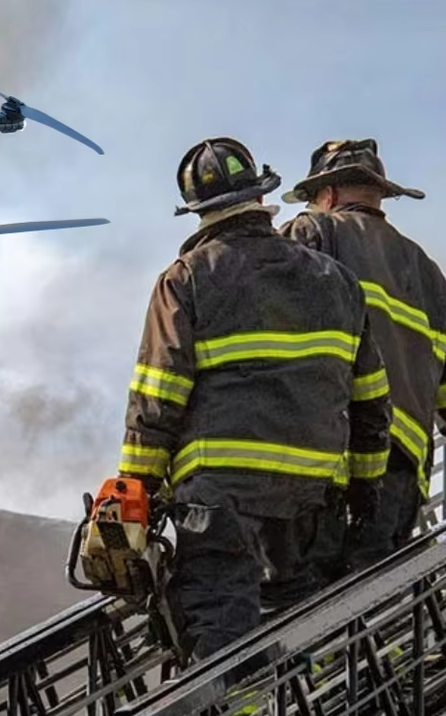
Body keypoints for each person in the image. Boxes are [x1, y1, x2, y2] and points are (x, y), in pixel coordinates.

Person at [118, 137, 391, 663]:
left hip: (220, 496)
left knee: (221, 622)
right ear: (261, 197)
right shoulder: (337, 281)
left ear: (198, 211)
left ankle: (236, 715)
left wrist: (136, 488)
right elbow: (371, 400)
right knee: (300, 619)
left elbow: (158, 396)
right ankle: (296, 705)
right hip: (311, 494)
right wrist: (363, 489)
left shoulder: (186, 279)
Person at [279, 139, 446, 571]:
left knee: (310, 596)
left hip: (330, 460)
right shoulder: (428, 273)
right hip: (402, 472)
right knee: (374, 591)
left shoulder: (311, 234)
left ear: (327, 193)